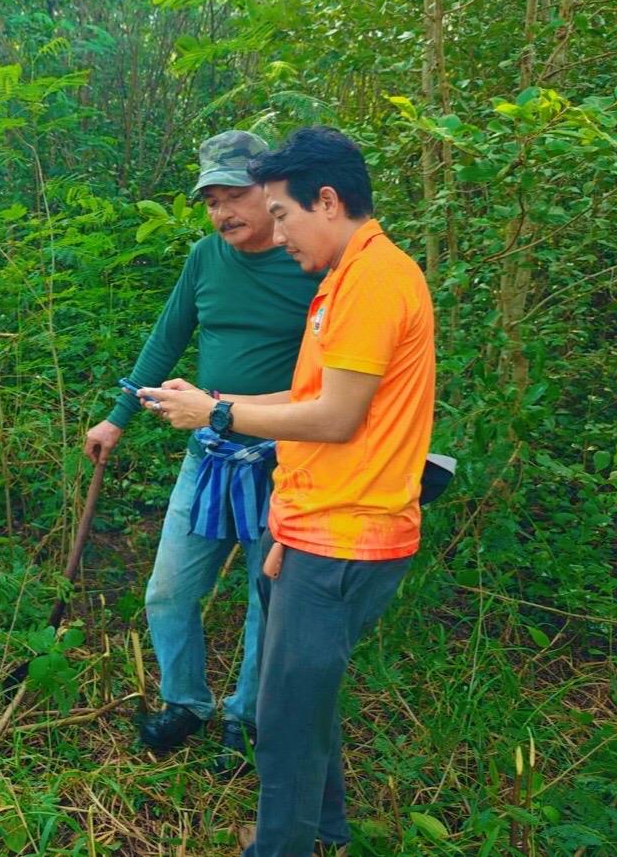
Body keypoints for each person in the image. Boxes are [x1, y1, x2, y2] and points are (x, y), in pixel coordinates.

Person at [138, 126, 436, 854]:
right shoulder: (348, 277)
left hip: (348, 536)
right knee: (305, 702)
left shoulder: (370, 281)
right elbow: (313, 396)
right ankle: (325, 829)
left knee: (283, 722)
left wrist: (215, 411)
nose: (277, 233)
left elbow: (335, 418)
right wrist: (288, 521)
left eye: (283, 215)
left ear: (326, 201)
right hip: (319, 525)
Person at [83, 130, 322, 773]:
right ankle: (187, 702)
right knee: (167, 590)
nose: (223, 213)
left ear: (270, 190)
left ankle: (245, 717)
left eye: (234, 195)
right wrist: (117, 417)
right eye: (211, 200)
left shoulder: (311, 261)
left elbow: (329, 381)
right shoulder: (205, 258)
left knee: (264, 597)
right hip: (209, 452)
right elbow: (166, 341)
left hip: (285, 458)